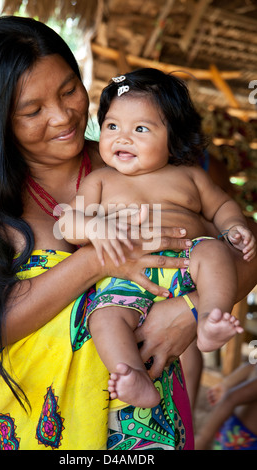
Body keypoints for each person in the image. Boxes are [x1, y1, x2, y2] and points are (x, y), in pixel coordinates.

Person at [0, 17, 255, 451]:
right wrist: (99, 259)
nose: (63, 116)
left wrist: (189, 310)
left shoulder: (143, 170)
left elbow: (244, 247)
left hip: (147, 440)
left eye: (68, 91)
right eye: (32, 110)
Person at [59, 69, 255, 408]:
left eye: (140, 129)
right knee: (104, 317)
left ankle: (209, 318)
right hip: (126, 277)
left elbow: (223, 204)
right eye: (112, 126)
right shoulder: (100, 181)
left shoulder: (190, 176)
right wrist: (92, 227)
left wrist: (234, 227)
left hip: (187, 263)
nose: (122, 137)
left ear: (173, 137)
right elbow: (66, 223)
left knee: (214, 253)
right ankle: (133, 374)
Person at [195, 362, 257, 450]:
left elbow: (231, 398)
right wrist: (226, 384)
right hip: (240, 436)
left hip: (240, 435)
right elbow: (231, 398)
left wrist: (203, 439)